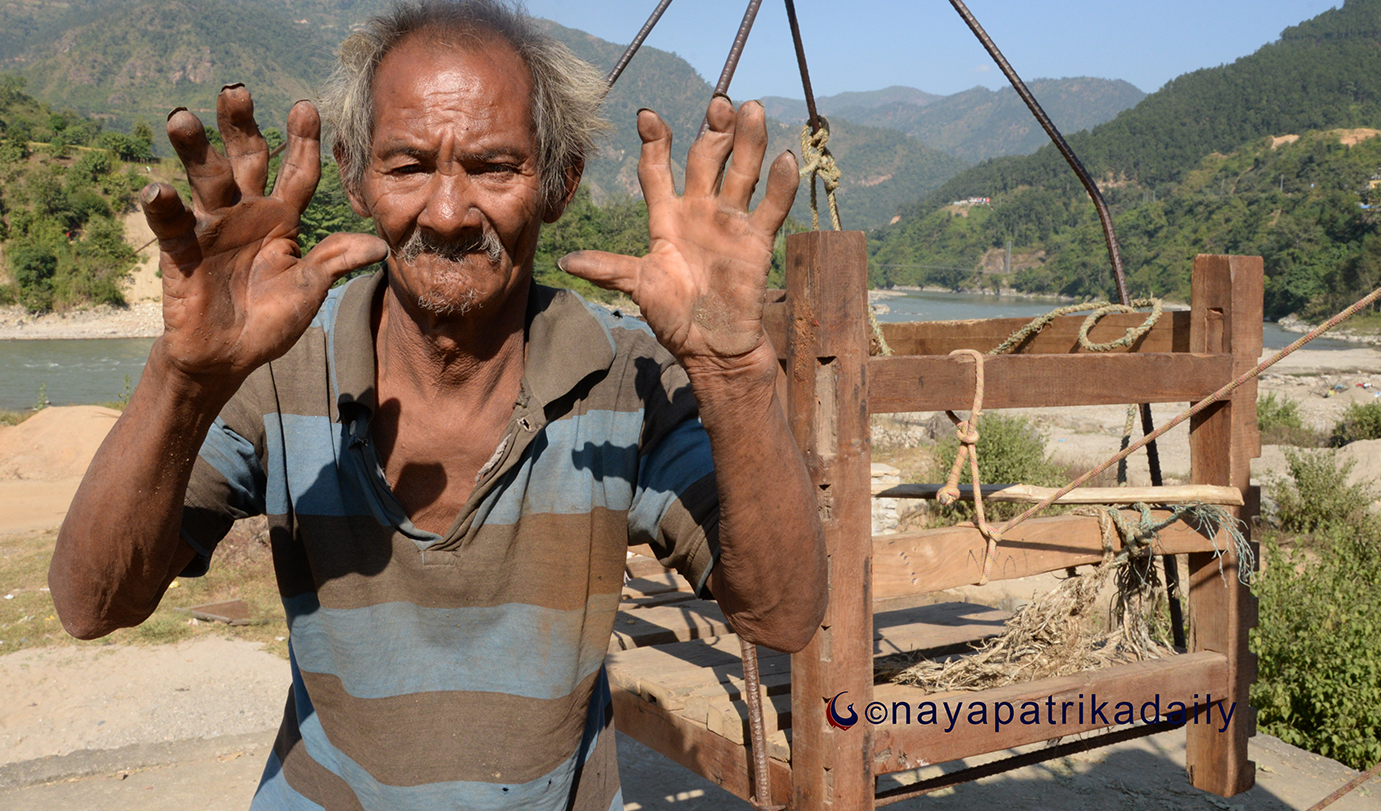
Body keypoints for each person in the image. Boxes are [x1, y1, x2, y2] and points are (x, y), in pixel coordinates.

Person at [49, 1, 825, 807]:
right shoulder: (284, 366)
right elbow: (94, 603)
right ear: (353, 177)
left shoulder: (624, 374)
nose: (449, 213)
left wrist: (736, 371)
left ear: (559, 184)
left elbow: (781, 614)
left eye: (493, 167)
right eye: (410, 165)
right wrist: (185, 377)